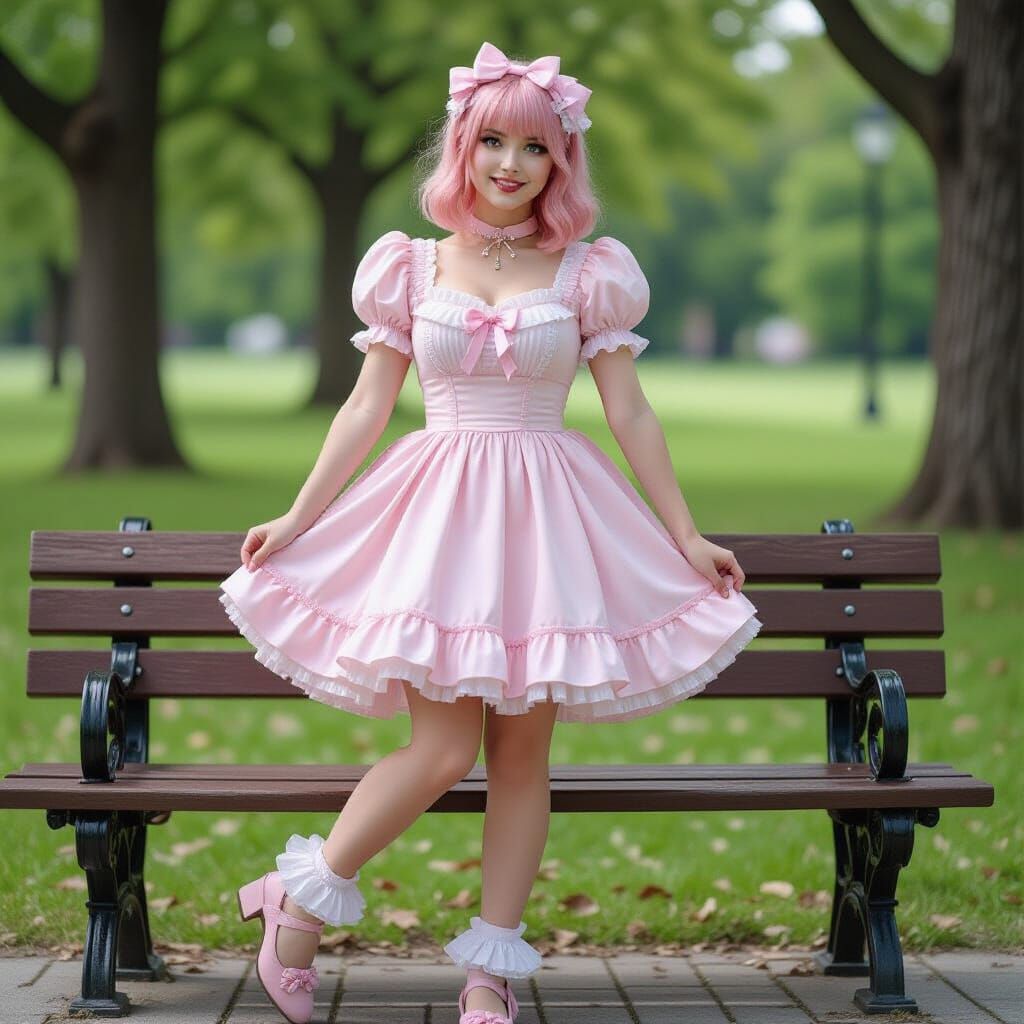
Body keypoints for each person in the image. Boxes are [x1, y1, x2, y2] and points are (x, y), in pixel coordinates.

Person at [221, 40, 763, 1024]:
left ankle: (490, 968)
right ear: (461, 149)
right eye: (492, 143)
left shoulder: (590, 271)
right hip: (437, 517)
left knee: (521, 758)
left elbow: (632, 414)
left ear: (561, 162)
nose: (510, 165)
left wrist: (683, 534)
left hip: (549, 518)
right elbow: (363, 407)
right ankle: (296, 901)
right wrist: (300, 514)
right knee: (439, 751)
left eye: (535, 149)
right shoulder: (410, 264)